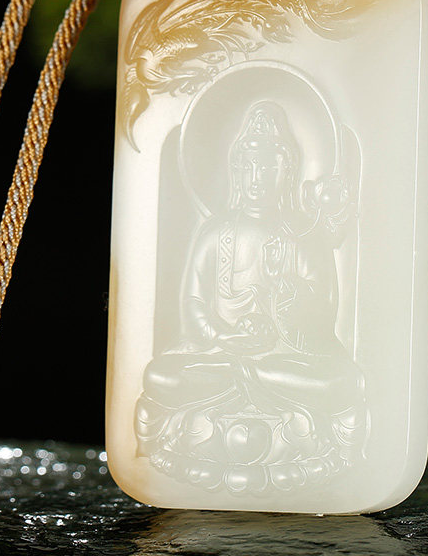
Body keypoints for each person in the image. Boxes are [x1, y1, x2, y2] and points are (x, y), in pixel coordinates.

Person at [135, 101, 367, 492]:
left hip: (285, 358)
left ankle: (246, 390)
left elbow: (325, 309)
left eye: (266, 169)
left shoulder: (303, 234)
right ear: (236, 172)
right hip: (221, 355)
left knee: (340, 382)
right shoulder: (215, 232)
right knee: (160, 375)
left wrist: (286, 292)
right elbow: (193, 303)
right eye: (247, 168)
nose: (256, 179)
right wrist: (221, 336)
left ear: (286, 172)